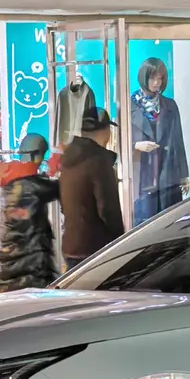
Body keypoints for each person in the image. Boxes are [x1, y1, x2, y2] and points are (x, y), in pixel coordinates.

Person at [58, 109, 125, 270]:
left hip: (71, 245)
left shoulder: (68, 159)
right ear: (105, 131)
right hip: (95, 249)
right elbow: (108, 210)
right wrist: (120, 244)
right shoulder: (99, 161)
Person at [0, 134, 60, 291]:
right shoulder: (32, 185)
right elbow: (61, 188)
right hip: (31, 267)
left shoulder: (9, 180)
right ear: (36, 155)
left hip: (10, 263)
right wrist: (62, 163)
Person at [130, 57, 190, 226]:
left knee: (169, 221)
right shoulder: (129, 106)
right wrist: (136, 146)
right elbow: (118, 141)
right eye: (152, 78)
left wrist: (184, 174)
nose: (156, 83)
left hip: (167, 169)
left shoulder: (170, 105)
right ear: (144, 77)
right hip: (142, 171)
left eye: (160, 78)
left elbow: (178, 140)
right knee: (145, 223)